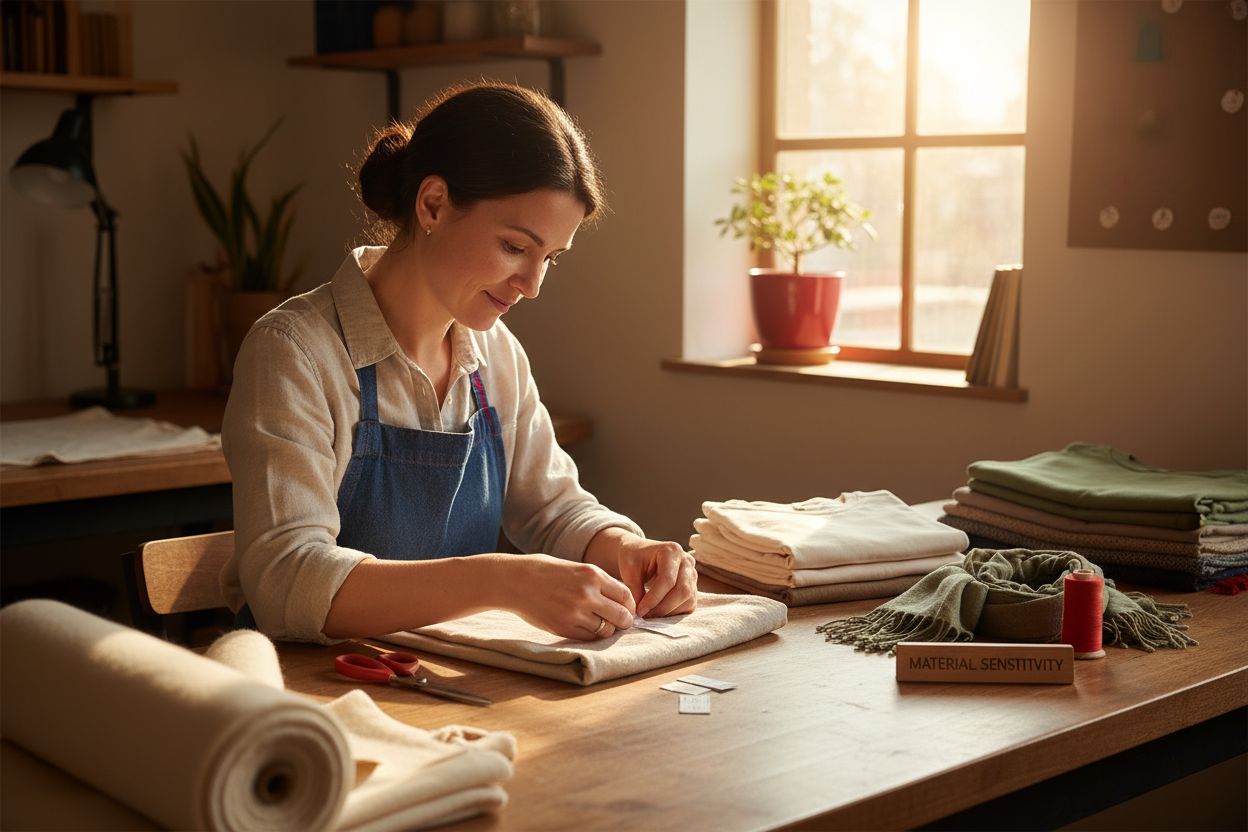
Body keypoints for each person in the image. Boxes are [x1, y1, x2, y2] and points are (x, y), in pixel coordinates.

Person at [220, 81, 697, 645]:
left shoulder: (496, 355)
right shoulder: (294, 352)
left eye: (550, 258)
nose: (532, 285)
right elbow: (286, 581)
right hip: (313, 698)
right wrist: (504, 580)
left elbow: (553, 510)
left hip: (449, 687)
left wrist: (627, 547)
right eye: (516, 248)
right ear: (433, 204)